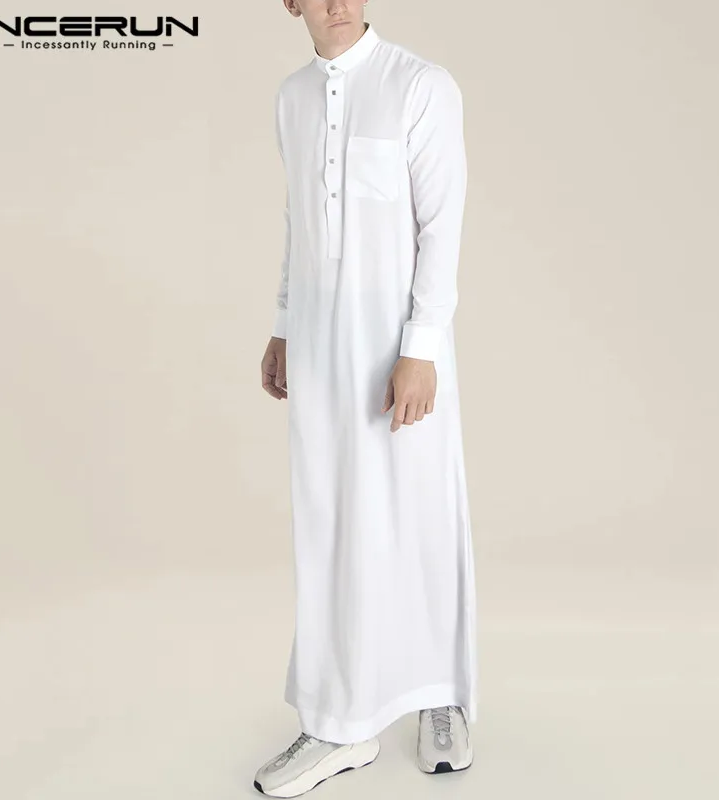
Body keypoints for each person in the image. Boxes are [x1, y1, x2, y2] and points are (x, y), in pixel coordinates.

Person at [256, 1, 478, 796]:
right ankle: (339, 722)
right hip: (320, 348)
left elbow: (441, 226)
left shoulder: (420, 85)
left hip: (397, 351)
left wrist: (421, 347)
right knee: (330, 524)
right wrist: (284, 325)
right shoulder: (292, 98)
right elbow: (300, 221)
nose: (339, 4)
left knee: (419, 513)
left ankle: (440, 694)